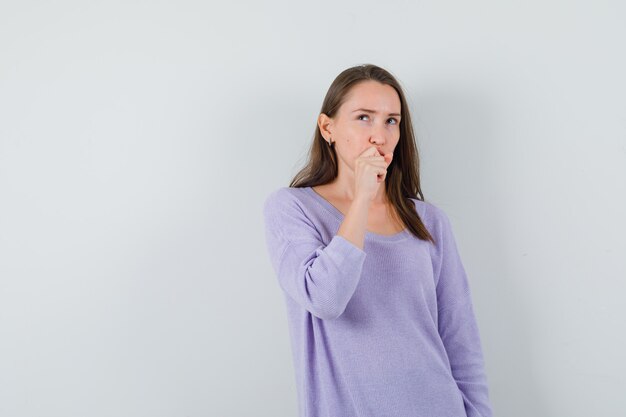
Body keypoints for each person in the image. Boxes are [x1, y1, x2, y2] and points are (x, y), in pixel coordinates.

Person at [262, 64, 493, 417]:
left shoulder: (429, 222)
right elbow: (324, 299)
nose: (379, 135)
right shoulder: (292, 208)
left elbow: (460, 338)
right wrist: (361, 200)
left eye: (391, 121)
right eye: (363, 118)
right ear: (328, 128)